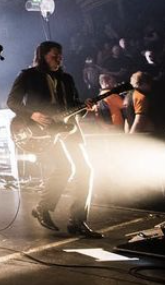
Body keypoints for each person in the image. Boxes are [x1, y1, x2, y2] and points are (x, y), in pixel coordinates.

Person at [7, 41, 102, 238]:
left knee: (86, 170)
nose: (58, 59)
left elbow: (73, 107)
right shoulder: (28, 75)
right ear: (42, 56)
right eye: (54, 56)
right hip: (42, 130)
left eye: (60, 56)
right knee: (64, 168)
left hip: (69, 129)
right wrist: (32, 114)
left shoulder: (66, 78)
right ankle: (44, 208)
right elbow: (12, 102)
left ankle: (77, 221)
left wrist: (86, 107)